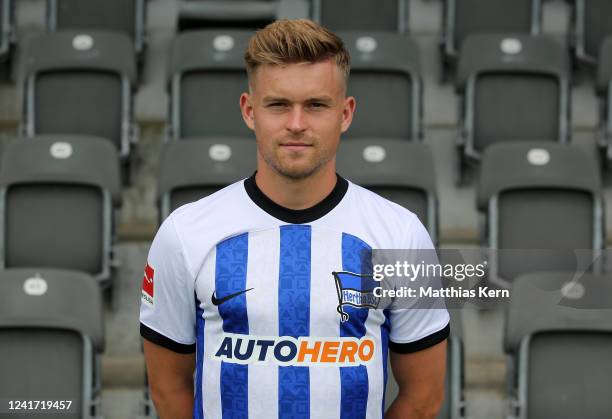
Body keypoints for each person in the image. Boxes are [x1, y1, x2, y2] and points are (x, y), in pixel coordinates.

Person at [140, 18, 449, 419]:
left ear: (346, 113)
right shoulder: (184, 233)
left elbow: (424, 397)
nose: (297, 124)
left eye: (316, 105)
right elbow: (168, 389)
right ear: (250, 111)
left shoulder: (402, 233)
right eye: (279, 104)